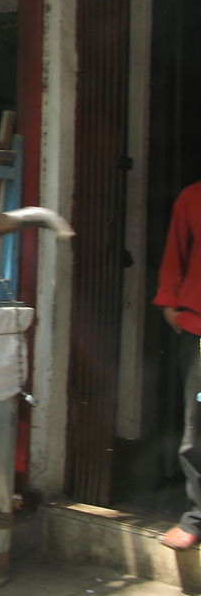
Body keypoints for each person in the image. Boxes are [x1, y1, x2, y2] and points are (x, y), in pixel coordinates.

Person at [154, 180, 201, 550]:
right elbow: (175, 255)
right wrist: (171, 304)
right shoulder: (192, 197)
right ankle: (198, 518)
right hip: (200, 327)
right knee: (197, 428)